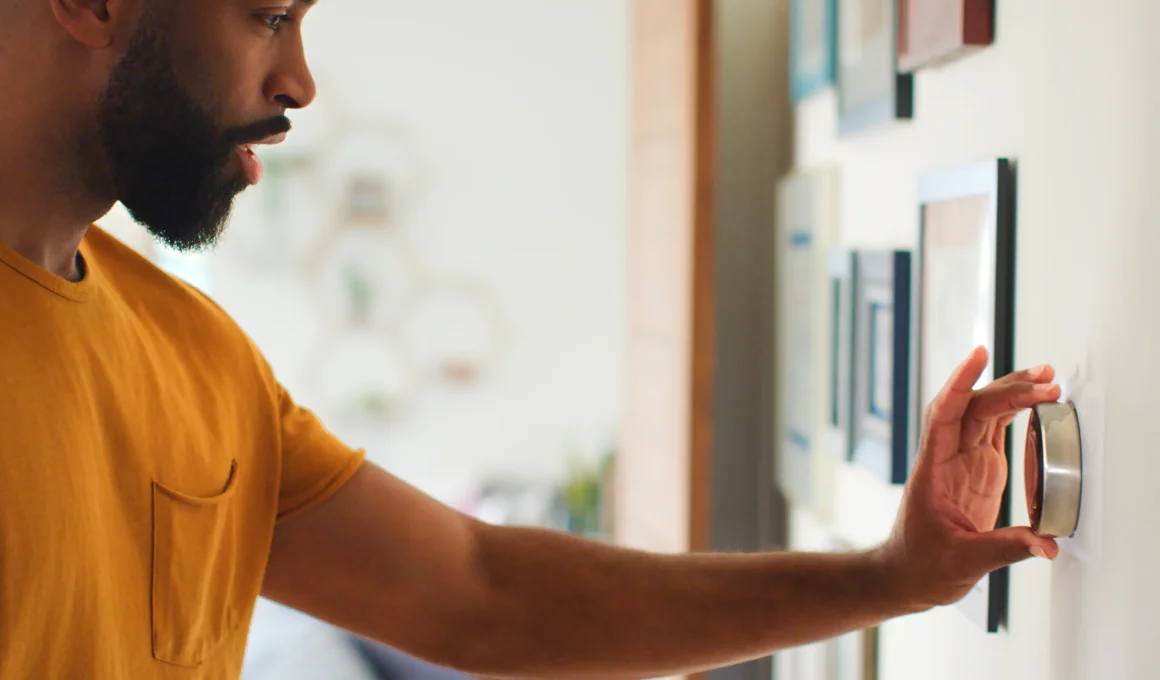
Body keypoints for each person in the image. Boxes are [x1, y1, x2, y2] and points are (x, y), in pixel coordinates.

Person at [0, 1, 1061, 678]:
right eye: (266, 14)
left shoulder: (199, 357)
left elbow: (481, 592)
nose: (299, 82)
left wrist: (890, 577)